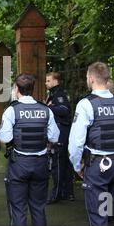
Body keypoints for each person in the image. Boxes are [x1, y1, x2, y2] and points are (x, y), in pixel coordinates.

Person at [68, 62, 114, 226]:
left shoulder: (86, 104)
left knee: (100, 214)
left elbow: (76, 142)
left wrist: (77, 166)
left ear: (92, 78)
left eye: (87, 77)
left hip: (98, 168)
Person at [0, 74, 60, 226]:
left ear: (17, 89)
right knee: (38, 208)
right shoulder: (45, 109)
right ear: (32, 89)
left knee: (18, 209)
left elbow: (5, 138)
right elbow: (54, 137)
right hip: (40, 163)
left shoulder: (12, 110)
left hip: (19, 163)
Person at [45, 72, 74, 203]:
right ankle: (67, 192)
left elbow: (64, 110)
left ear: (56, 81)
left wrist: (49, 108)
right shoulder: (53, 94)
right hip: (62, 132)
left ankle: (57, 194)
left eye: (48, 80)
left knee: (58, 163)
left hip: (62, 132)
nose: (46, 83)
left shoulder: (59, 95)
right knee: (64, 163)